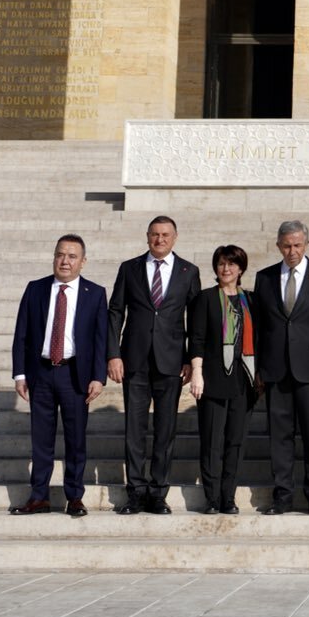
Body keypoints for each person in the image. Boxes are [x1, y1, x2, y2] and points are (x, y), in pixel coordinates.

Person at [106, 216, 201, 515]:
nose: (160, 240)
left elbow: (196, 321)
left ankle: (158, 492)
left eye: (165, 235)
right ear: (147, 237)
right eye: (155, 234)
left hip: (171, 362)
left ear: (175, 237)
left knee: (165, 430)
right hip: (134, 360)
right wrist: (113, 354)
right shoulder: (129, 268)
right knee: (134, 429)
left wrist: (190, 359)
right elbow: (115, 311)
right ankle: (135, 491)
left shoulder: (189, 271)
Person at [7, 234, 108, 516]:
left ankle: (74, 497)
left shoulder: (95, 293)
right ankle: (39, 496)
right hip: (41, 373)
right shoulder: (36, 289)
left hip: (75, 374)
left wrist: (98, 376)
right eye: (60, 254)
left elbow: (101, 339)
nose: (65, 261)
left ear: (83, 262)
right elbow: (22, 333)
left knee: (76, 440)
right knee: (41, 439)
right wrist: (20, 374)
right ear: (54, 257)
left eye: (72, 256)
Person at [249, 220, 309, 516]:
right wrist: (260, 368)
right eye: (287, 245)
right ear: (278, 246)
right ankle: (283, 495)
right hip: (276, 369)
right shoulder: (264, 278)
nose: (292, 251)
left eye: (297, 245)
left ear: (307, 245)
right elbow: (260, 327)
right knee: (280, 436)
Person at [187, 244, 258, 515]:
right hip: (214, 379)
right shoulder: (205, 298)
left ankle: (228, 497)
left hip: (243, 380)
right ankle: (212, 498)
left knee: (235, 442)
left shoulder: (250, 300)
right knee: (213, 441)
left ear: (240, 268)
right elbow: (197, 338)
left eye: (231, 264)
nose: (226, 269)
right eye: (221, 264)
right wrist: (197, 372)